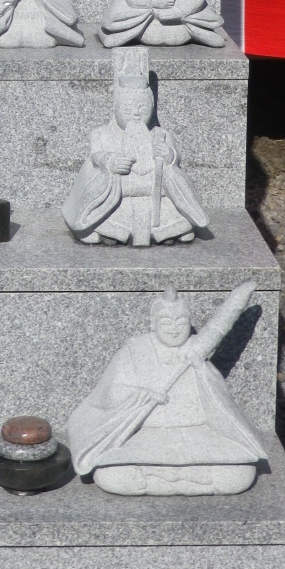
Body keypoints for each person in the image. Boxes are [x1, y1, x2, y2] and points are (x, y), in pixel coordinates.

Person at [67, 282, 267, 496]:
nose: (174, 328)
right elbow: (108, 394)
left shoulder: (196, 349)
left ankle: (160, 479)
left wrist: (202, 371)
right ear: (153, 324)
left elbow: (220, 400)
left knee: (239, 475)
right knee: (111, 475)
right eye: (166, 322)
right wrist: (142, 395)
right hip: (146, 435)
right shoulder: (134, 349)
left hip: (197, 434)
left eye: (181, 321)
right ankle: (194, 480)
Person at [62, 48, 209, 246]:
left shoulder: (162, 134)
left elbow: (175, 160)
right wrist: (110, 161)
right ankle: (106, 229)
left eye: (143, 108)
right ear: (116, 108)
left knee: (178, 202)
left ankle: (167, 230)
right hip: (117, 194)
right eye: (128, 108)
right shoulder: (100, 134)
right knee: (96, 189)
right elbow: (96, 157)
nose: (136, 114)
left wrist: (169, 156)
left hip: (155, 193)